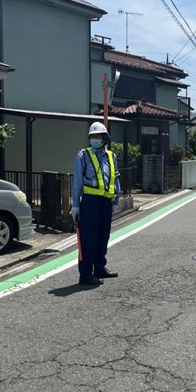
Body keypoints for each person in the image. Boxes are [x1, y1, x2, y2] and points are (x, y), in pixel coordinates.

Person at [70, 122, 121, 285]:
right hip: (90, 202)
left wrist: (116, 201)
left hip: (106, 202)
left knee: (103, 236)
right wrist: (75, 205)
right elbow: (77, 181)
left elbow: (115, 178)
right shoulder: (83, 155)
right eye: (92, 137)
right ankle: (85, 274)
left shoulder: (111, 156)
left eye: (98, 137)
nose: (95, 139)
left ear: (105, 138)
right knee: (88, 238)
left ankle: (100, 268)